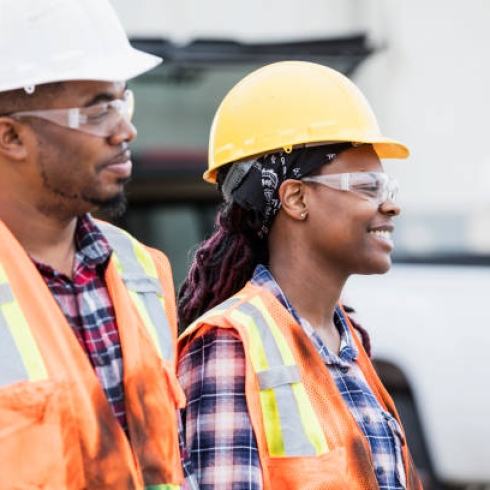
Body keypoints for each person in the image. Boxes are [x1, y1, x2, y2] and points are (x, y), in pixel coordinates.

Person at [178, 60, 424, 490]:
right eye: (367, 187)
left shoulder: (350, 342)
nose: (391, 206)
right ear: (295, 198)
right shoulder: (229, 345)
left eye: (389, 190)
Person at [0, 1, 193, 488]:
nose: (125, 130)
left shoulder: (142, 271)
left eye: (123, 104)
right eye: (97, 110)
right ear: (11, 136)